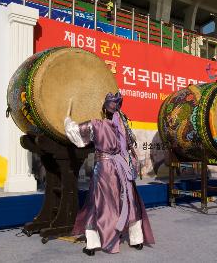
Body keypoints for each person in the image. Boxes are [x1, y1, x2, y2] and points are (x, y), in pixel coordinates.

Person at [64, 92, 154, 256]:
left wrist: (67, 117)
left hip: (105, 168)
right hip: (122, 168)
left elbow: (74, 133)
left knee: (97, 202)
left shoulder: (97, 124)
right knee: (129, 200)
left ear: (104, 110)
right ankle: (136, 239)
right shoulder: (123, 127)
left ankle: (92, 244)